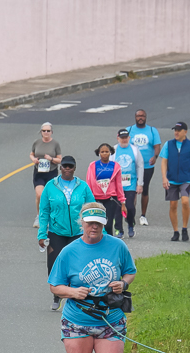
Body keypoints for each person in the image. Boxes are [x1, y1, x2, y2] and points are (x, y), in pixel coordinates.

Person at [48, 203, 136, 353]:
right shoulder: (69, 252)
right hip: (77, 321)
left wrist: (123, 284)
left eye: (98, 223)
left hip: (110, 320)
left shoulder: (117, 246)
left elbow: (130, 272)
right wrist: (73, 292)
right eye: (90, 223)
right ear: (82, 223)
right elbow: (55, 285)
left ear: (104, 224)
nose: (94, 227)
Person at [38, 156, 97, 309]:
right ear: (60, 167)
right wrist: (42, 234)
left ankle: (75, 295)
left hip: (78, 233)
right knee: (54, 264)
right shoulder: (51, 186)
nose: (67, 169)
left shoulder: (83, 186)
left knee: (77, 265)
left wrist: (96, 231)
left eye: (70, 166)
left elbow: (92, 209)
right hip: (56, 232)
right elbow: (44, 212)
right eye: (65, 166)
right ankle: (57, 295)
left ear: (75, 168)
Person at [159, 122, 190, 242]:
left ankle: (184, 228)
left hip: (185, 179)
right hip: (171, 180)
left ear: (185, 132)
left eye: (179, 130)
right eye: (175, 130)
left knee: (185, 202)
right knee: (173, 205)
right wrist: (164, 178)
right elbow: (164, 162)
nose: (176, 133)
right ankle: (175, 231)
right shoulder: (168, 144)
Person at [126, 109, 161, 226]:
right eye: (138, 116)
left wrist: (155, 157)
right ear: (135, 117)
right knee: (132, 190)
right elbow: (123, 145)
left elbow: (157, 146)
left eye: (143, 116)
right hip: (132, 166)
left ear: (146, 117)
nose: (140, 118)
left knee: (144, 189)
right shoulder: (129, 130)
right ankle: (131, 214)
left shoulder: (152, 131)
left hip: (147, 166)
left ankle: (143, 215)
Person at [86, 143, 125, 236]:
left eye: (106, 152)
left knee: (108, 224)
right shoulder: (93, 165)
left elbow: (119, 185)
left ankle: (109, 241)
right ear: (99, 153)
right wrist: (88, 199)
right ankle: (97, 240)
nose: (104, 154)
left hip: (110, 198)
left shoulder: (115, 166)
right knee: (97, 223)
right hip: (96, 199)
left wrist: (122, 202)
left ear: (110, 152)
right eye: (102, 152)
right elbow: (89, 182)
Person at [112, 129, 144, 238]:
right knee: (117, 208)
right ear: (118, 138)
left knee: (130, 206)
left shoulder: (135, 150)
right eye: (122, 138)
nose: (124, 140)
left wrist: (140, 184)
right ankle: (119, 229)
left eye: (126, 138)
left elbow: (140, 166)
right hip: (117, 185)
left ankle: (130, 223)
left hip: (131, 183)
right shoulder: (114, 150)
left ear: (129, 138)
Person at [30, 122, 62, 228]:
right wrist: (34, 159)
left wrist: (51, 159)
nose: (46, 133)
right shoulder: (37, 142)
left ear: (51, 132)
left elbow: (60, 159)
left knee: (50, 196)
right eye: (44, 131)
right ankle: (39, 216)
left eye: (48, 131)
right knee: (39, 194)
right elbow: (31, 154)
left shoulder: (55, 144)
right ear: (41, 132)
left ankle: (49, 217)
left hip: (51, 172)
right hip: (39, 172)